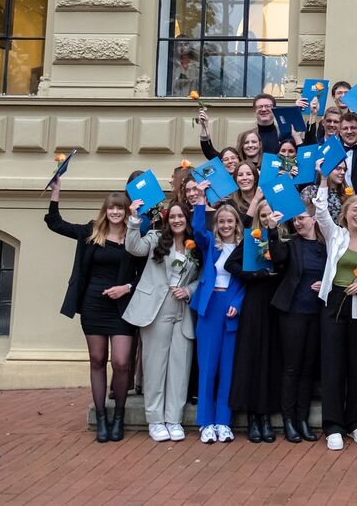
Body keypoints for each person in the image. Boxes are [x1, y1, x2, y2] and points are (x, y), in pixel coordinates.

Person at [45, 181, 139, 443]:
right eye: (112, 208)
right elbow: (55, 223)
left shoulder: (133, 235)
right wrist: (56, 191)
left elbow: (144, 273)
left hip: (121, 307)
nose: (116, 213)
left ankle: (118, 416)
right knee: (97, 360)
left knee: (120, 362)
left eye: (120, 209)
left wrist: (126, 287)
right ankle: (101, 418)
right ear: (105, 211)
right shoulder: (91, 232)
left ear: (126, 212)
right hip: (93, 305)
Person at [123, 199, 200, 442]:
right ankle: (155, 420)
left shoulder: (195, 246)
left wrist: (189, 291)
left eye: (181, 216)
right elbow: (133, 247)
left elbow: (203, 278)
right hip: (156, 309)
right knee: (156, 365)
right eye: (173, 217)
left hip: (183, 309)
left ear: (187, 219)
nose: (177, 220)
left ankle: (173, 419)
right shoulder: (156, 239)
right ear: (168, 220)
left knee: (180, 364)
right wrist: (134, 218)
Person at [312, 166, 357, 451]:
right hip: (334, 302)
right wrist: (323, 180)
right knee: (333, 364)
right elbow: (320, 211)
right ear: (346, 212)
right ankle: (334, 425)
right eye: (355, 210)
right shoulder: (334, 234)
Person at [189, 187, 246, 443]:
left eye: (229, 221)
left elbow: (247, 281)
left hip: (231, 308)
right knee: (207, 366)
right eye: (221, 221)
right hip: (210, 307)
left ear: (236, 223)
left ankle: (223, 421)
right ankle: (205, 422)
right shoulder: (210, 243)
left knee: (227, 368)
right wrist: (201, 201)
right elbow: (198, 230)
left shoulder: (245, 246)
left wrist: (238, 302)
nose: (225, 225)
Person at [267, 204, 327, 443]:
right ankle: (289, 420)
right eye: (295, 219)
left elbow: (333, 274)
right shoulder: (291, 243)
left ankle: (302, 419)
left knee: (308, 368)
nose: (298, 223)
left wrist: (325, 283)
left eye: (302, 218)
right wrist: (272, 229)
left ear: (314, 219)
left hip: (316, 313)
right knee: (292, 367)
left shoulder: (325, 247)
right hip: (292, 312)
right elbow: (278, 257)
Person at [225, 203, 283, 444]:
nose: (267, 217)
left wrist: (274, 231)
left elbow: (283, 262)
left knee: (271, 358)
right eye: (263, 214)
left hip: (276, 303)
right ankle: (252, 417)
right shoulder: (252, 238)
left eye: (271, 213)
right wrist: (254, 275)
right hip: (255, 302)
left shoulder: (280, 238)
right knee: (252, 357)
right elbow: (231, 264)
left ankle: (266, 415)